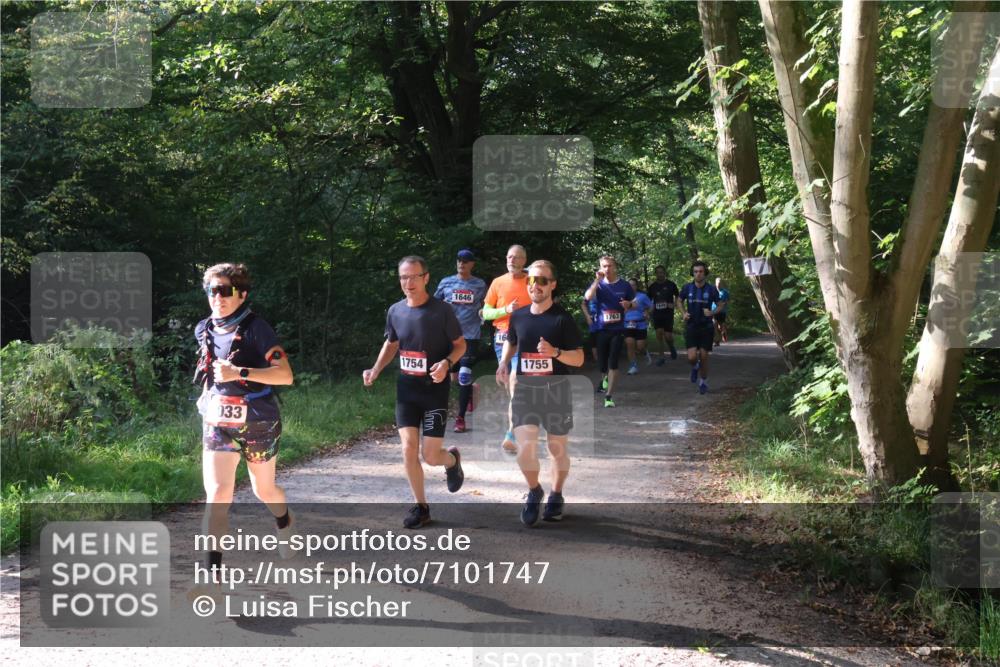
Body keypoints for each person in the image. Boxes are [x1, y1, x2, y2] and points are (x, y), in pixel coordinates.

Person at [192, 263, 296, 596]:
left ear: (242, 294)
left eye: (225, 290)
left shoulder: (257, 329)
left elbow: (285, 376)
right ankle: (212, 578)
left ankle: (284, 520)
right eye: (212, 290)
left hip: (259, 420)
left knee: (263, 491)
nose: (217, 297)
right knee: (218, 494)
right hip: (219, 422)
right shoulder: (203, 329)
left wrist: (240, 371)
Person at [363, 256, 466, 528]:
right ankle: (421, 507)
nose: (408, 283)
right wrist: (375, 370)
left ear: (426, 278)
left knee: (430, 457)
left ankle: (451, 459)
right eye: (403, 278)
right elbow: (391, 343)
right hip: (407, 390)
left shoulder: (441, 311)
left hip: (434, 392)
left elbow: (460, 345)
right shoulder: (395, 311)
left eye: (413, 277)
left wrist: (447, 363)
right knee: (408, 449)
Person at [496, 260, 584, 526]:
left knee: (557, 449)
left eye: (542, 281)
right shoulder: (519, 315)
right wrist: (503, 362)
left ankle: (556, 494)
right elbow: (512, 344)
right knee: (525, 449)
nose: (536, 286)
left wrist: (555, 353)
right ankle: (535, 490)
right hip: (526, 390)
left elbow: (579, 359)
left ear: (552, 285)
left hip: (556, 392)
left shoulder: (562, 319)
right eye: (532, 281)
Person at [482, 245, 531, 454]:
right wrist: (506, 310)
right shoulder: (498, 282)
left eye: (517, 257)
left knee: (516, 382)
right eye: (509, 256)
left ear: (524, 261)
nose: (512, 260)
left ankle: (511, 433)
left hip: (525, 339)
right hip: (502, 339)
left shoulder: (533, 281)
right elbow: (485, 313)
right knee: (513, 389)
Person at [434, 249, 487, 433]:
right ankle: (472, 390)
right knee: (453, 377)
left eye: (465, 261)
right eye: (459, 260)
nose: (461, 264)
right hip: (449, 336)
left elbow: (487, 304)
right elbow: (434, 304)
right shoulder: (446, 282)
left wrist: (484, 312)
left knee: (463, 376)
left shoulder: (479, 284)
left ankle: (460, 418)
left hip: (470, 335)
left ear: (472, 264)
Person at [583, 255, 635, 408]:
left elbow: (635, 302)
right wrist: (597, 280)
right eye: (604, 266)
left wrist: (629, 304)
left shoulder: (624, 285)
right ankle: (604, 377)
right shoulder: (598, 285)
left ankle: (609, 396)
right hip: (601, 329)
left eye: (610, 266)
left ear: (615, 267)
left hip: (618, 329)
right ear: (600, 267)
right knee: (602, 363)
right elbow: (587, 297)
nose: (607, 269)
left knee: (613, 362)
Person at [677, 260, 721, 395]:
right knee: (691, 357)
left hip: (706, 326)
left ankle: (703, 381)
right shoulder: (687, 288)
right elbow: (679, 300)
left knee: (704, 356)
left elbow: (721, 304)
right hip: (691, 326)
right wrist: (683, 313)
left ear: (705, 273)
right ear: (692, 273)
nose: (698, 274)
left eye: (701, 271)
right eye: (696, 271)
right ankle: (695, 367)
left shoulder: (711, 289)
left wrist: (712, 312)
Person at [647, 265, 680, 364]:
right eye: (658, 272)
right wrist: (648, 311)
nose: (660, 274)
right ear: (655, 274)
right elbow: (648, 300)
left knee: (668, 336)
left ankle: (671, 346)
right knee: (659, 334)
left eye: (662, 272)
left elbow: (678, 296)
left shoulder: (671, 284)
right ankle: (661, 357)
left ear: (665, 273)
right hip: (657, 314)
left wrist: (674, 304)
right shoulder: (652, 287)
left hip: (668, 313)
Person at [624, 278, 653, 375]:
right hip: (628, 323)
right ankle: (633, 366)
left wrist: (647, 312)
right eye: (629, 285)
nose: (631, 287)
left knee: (640, 346)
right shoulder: (623, 297)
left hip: (640, 323)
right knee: (629, 344)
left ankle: (644, 351)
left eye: (633, 285)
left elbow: (651, 306)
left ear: (636, 286)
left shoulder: (643, 296)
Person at [713, 277, 730, 345]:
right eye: (718, 283)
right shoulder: (713, 291)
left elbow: (728, 301)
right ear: (715, 283)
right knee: (714, 324)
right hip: (714, 310)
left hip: (722, 311)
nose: (719, 285)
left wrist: (723, 304)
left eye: (720, 283)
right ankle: (717, 341)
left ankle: (723, 332)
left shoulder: (725, 292)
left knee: (720, 325)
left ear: (722, 284)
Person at [581, 296, 599, 363]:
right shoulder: (589, 293)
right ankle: (596, 359)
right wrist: (588, 317)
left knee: (604, 336)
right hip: (593, 319)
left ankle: (605, 356)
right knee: (593, 337)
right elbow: (583, 304)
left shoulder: (604, 290)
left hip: (603, 318)